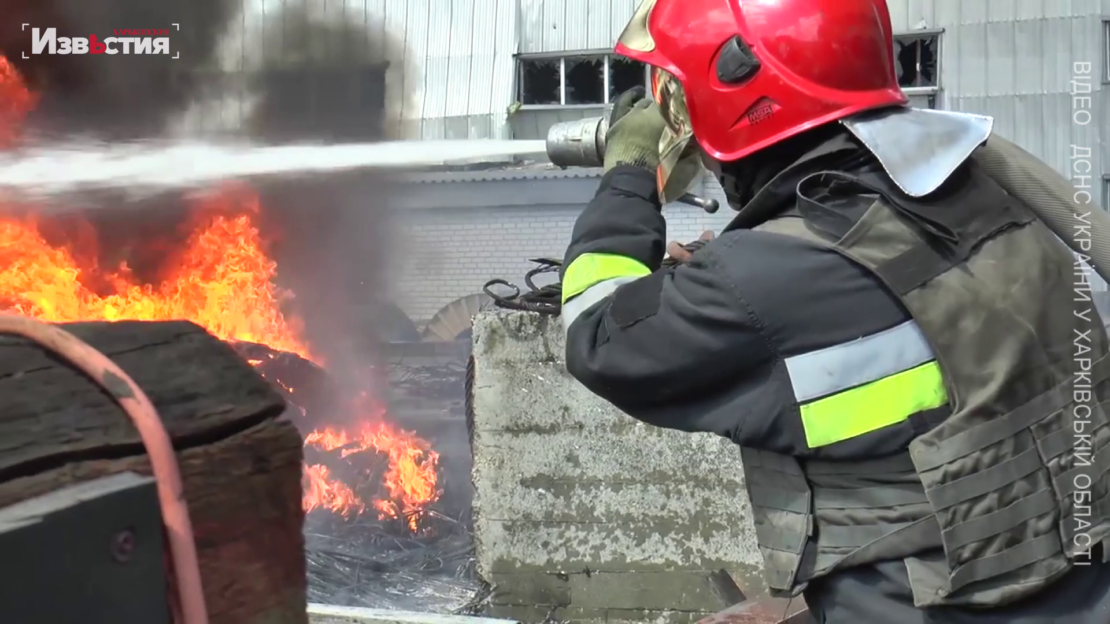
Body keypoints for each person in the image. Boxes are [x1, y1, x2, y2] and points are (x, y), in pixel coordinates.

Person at [558, 0, 1110, 622]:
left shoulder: (763, 276)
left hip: (928, 602)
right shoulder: (976, 185)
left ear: (738, 89)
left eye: (678, 92)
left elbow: (599, 335)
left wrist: (629, 175)